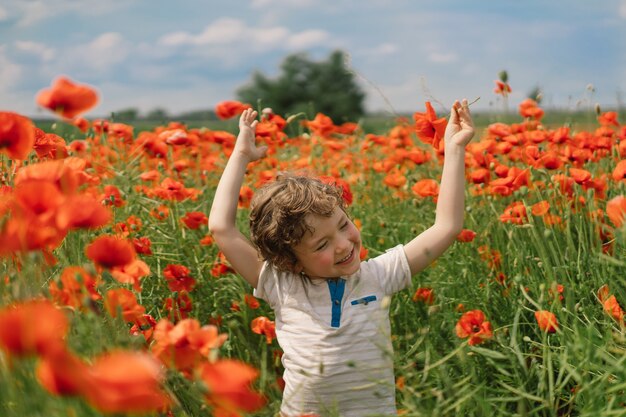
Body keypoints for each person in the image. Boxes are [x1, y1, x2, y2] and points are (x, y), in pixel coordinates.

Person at [209, 101, 475, 417]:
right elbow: (221, 227)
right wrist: (241, 155)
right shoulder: (281, 284)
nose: (342, 244)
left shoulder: (377, 276)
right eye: (321, 244)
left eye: (342, 225)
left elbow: (446, 226)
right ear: (291, 260)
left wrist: (454, 149)